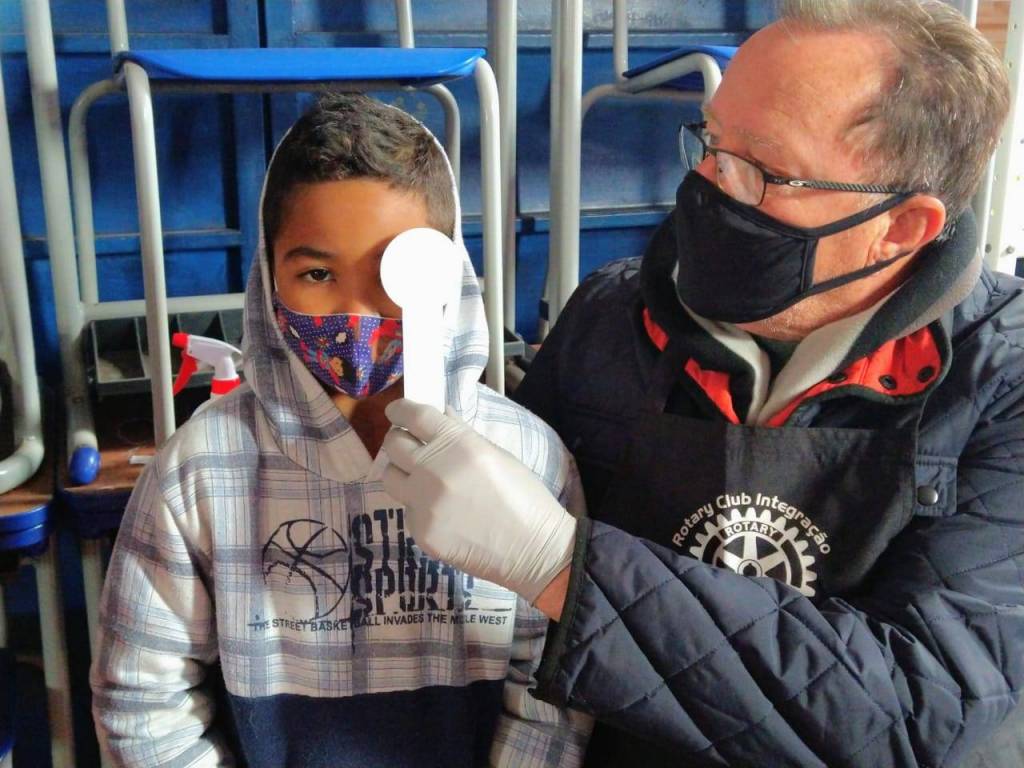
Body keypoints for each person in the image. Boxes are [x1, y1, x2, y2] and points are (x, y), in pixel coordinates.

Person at [381, 2, 1024, 766]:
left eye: (762, 170)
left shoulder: (1002, 383)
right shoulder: (613, 316)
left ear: (902, 226)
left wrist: (559, 566)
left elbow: (911, 711)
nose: (709, 186)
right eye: (712, 143)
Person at [90, 93, 591, 767]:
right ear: (270, 274)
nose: (357, 314)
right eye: (317, 273)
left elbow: (554, 693)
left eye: (395, 274)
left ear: (447, 274)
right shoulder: (199, 474)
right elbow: (143, 704)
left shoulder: (528, 458)